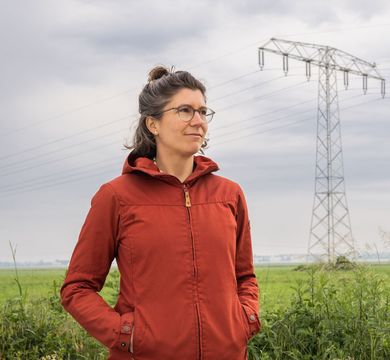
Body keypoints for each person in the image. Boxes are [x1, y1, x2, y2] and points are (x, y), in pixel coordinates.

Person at [60, 65, 261, 360]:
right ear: (153, 124)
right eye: (185, 111)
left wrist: (245, 321)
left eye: (203, 112)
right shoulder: (117, 196)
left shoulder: (229, 195)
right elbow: (77, 289)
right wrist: (126, 335)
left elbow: (244, 276)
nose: (198, 121)